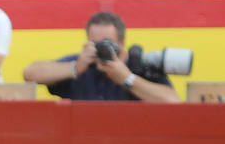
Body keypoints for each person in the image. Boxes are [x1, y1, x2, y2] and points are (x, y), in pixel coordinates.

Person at [21, 10, 182, 103]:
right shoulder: (83, 62)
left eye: (107, 43)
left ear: (121, 43)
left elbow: (173, 101)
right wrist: (75, 68)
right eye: (95, 43)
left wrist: (128, 79)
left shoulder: (139, 66)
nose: (102, 49)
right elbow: (30, 73)